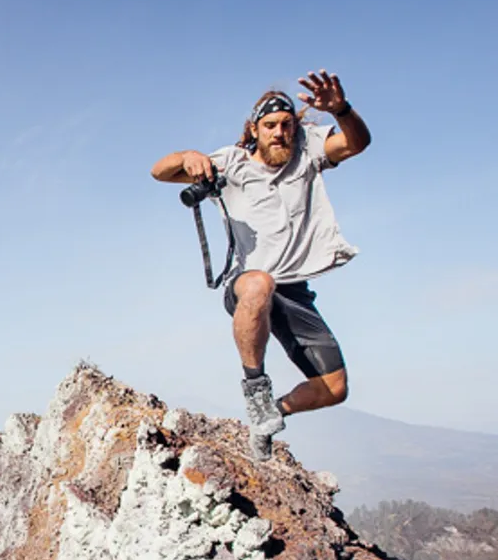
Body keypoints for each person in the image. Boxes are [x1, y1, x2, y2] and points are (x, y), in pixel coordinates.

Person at [151, 70, 372, 460]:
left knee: (334, 389)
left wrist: (341, 109)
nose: (279, 132)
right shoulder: (231, 164)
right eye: (270, 125)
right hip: (247, 285)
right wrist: (187, 155)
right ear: (254, 129)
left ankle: (271, 413)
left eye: (287, 124)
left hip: (294, 291)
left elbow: (357, 143)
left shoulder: (308, 154)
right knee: (259, 284)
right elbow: (160, 171)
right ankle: (256, 390)